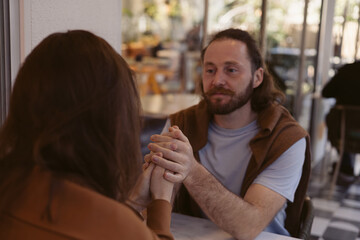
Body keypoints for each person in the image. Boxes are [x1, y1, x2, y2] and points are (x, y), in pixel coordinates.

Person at [0, 30, 174, 240]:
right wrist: (161, 200)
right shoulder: (116, 226)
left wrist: (132, 204)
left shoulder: (13, 189)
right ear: (110, 121)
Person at [145, 28, 311, 239]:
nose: (217, 81)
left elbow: (248, 227)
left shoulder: (286, 139)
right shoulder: (182, 123)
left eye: (231, 70)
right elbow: (157, 203)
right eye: (210, 70)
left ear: (257, 77)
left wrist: (191, 170)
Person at [322, 61, 360, 181]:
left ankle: (345, 165)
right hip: (349, 131)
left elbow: (326, 92)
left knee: (335, 122)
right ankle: (346, 165)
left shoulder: (346, 71)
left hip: (344, 133)